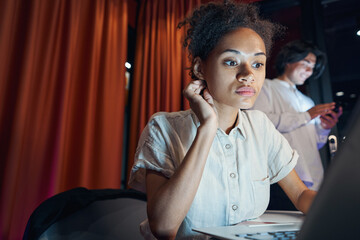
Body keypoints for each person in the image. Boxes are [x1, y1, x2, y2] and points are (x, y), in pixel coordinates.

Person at [129, 2, 316, 239]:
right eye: (231, 61)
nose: (248, 75)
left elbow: (300, 195)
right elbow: (164, 227)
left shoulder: (261, 126)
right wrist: (207, 129)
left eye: (257, 64)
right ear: (199, 68)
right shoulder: (163, 128)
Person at [252, 40, 342, 210]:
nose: (310, 70)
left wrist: (324, 127)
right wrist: (307, 115)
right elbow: (261, 124)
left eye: (313, 66)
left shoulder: (307, 100)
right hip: (283, 178)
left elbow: (315, 143)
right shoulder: (266, 87)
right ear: (288, 60)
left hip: (313, 176)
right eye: (306, 63)